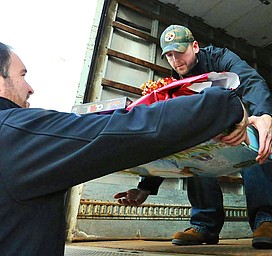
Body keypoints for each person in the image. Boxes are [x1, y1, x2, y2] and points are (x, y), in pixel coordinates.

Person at [0, 38, 247, 256]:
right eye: (22, 75)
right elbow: (134, 131)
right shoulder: (9, 133)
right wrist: (228, 104)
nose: (30, 88)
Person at [114, 25, 272, 249]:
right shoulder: (171, 86)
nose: (175, 60)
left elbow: (251, 81)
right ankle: (204, 224)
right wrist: (145, 186)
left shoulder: (221, 58)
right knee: (192, 143)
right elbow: (167, 136)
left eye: (180, 52)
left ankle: (266, 219)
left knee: (257, 140)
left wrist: (264, 115)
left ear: (195, 46)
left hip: (244, 122)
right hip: (209, 134)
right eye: (169, 55)